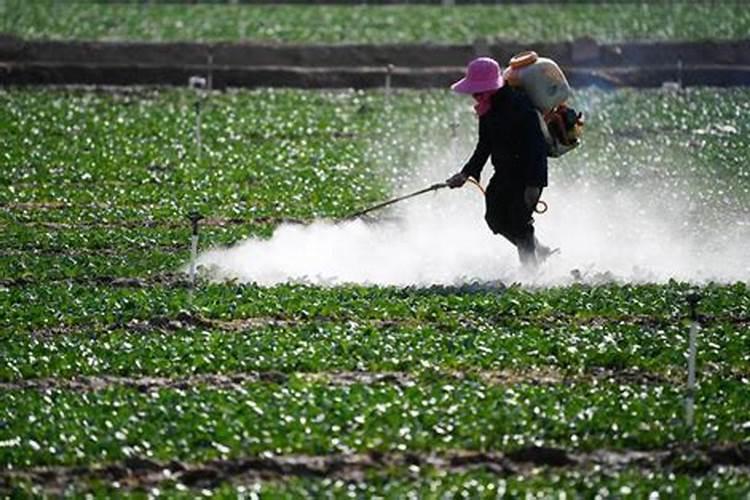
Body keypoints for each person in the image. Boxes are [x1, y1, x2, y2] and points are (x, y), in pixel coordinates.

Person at [446, 56, 554, 268]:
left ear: (491, 87)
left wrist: (535, 185)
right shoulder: (488, 110)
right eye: (474, 93)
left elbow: (537, 150)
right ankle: (538, 250)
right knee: (494, 218)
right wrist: (466, 173)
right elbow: (484, 145)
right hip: (504, 173)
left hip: (527, 176)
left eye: (478, 92)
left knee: (519, 221)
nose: (475, 97)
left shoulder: (521, 108)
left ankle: (531, 274)